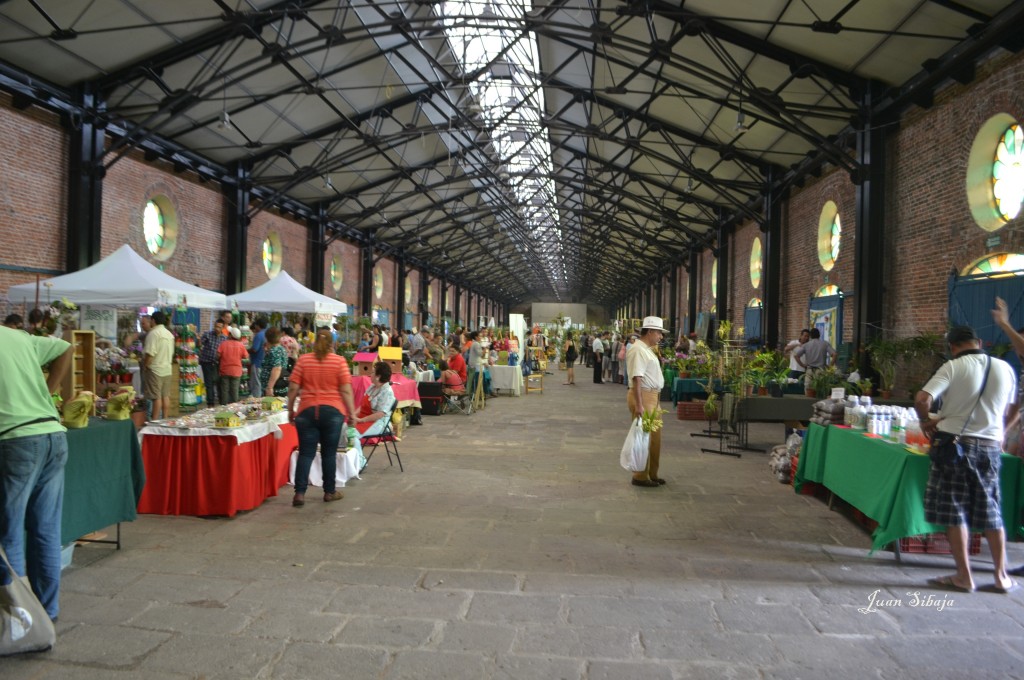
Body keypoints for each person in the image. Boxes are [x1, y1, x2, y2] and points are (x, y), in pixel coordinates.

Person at [913, 325, 1017, 593]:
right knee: (991, 509)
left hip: (953, 446)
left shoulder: (952, 367)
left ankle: (964, 576)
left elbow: (923, 399)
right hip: (991, 447)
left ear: (952, 347)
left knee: (954, 509)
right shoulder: (1005, 369)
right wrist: (999, 432)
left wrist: (926, 421)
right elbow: (1010, 408)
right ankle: (1000, 575)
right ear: (979, 342)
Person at [0, 324, 73, 621]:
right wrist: (47, 391)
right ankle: (46, 613)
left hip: (15, 440)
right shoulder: (16, 336)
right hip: (52, 434)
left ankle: (19, 619)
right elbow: (66, 346)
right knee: (45, 530)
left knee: (9, 534)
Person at [288, 329, 357, 507]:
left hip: (306, 411)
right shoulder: (339, 361)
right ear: (332, 343)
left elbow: (293, 388)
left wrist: (290, 410)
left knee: (306, 453)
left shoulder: (304, 360)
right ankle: (329, 491)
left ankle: (300, 494)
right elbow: (345, 390)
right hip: (333, 412)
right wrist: (351, 413)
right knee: (329, 454)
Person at [626, 317, 667, 488]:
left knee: (655, 439)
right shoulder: (638, 350)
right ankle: (640, 476)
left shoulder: (647, 349)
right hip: (643, 396)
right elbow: (637, 378)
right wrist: (640, 404)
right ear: (649, 331)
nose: (660, 337)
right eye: (659, 333)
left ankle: (652, 473)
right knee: (643, 438)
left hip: (653, 397)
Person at [143, 311, 175, 421]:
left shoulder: (153, 333)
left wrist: (145, 365)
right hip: (167, 369)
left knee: (156, 398)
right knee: (165, 396)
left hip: (155, 369)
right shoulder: (169, 334)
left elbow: (150, 353)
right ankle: (165, 419)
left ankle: (155, 421)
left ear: (153, 320)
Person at [352, 361, 396, 437]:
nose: (370, 374)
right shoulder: (372, 387)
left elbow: (380, 414)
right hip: (365, 418)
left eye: (372, 372)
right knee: (344, 428)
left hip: (379, 423)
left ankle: (355, 449)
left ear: (378, 376)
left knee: (352, 434)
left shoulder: (387, 392)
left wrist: (362, 420)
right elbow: (363, 406)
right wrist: (353, 416)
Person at [217, 327, 248, 405]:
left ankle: (223, 407)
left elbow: (217, 355)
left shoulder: (223, 344)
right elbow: (246, 356)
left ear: (230, 335)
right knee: (234, 391)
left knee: (224, 390)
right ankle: (234, 408)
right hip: (236, 371)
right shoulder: (241, 345)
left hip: (225, 370)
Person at [199, 319, 226, 406]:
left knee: (219, 382)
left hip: (218, 363)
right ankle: (210, 403)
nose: (217, 328)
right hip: (206, 361)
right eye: (216, 326)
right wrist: (199, 342)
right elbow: (199, 344)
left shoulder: (224, 338)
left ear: (222, 328)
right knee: (209, 383)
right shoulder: (208, 334)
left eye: (219, 327)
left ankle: (221, 402)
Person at [260, 327, 288, 397]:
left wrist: (270, 387)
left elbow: (277, 368)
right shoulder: (281, 349)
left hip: (274, 388)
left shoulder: (274, 351)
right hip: (280, 385)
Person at [248, 317, 267, 397]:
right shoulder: (267, 333)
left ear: (257, 326)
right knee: (261, 382)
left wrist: (247, 350)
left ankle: (256, 400)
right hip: (264, 362)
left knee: (256, 383)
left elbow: (255, 349)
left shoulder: (259, 335)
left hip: (257, 362)